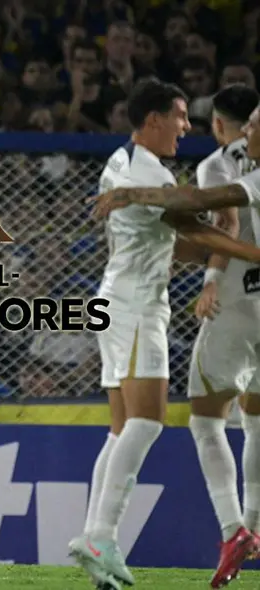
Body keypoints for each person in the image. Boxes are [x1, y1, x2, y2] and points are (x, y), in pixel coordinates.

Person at [72, 78, 260, 590]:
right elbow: (195, 229)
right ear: (153, 119)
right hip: (135, 308)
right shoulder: (146, 171)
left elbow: (178, 240)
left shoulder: (121, 159)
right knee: (148, 422)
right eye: (179, 116)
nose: (186, 126)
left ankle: (97, 542)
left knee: (120, 430)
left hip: (118, 299)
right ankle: (101, 536)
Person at [186, 85, 260, 589]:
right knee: (255, 419)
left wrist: (210, 280)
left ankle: (234, 528)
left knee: (205, 420)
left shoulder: (216, 165)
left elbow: (225, 221)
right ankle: (255, 525)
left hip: (233, 302)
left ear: (218, 124)